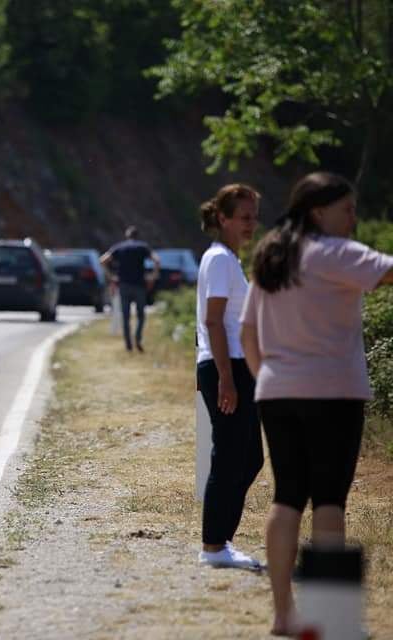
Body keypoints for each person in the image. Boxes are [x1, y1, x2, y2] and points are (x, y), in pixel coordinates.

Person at [240, 172, 393, 636]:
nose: (354, 218)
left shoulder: (272, 254)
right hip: (333, 392)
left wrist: (265, 376)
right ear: (317, 212)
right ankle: (328, 616)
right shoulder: (334, 252)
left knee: (287, 497)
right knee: (329, 501)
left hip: (277, 391)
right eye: (346, 208)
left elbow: (248, 329)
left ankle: (284, 614)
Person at [194, 184, 264, 570]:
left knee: (248, 456)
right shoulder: (220, 260)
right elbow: (213, 320)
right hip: (227, 366)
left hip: (235, 365)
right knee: (230, 457)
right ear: (223, 219)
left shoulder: (226, 259)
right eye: (244, 217)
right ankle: (214, 544)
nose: (251, 224)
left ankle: (221, 538)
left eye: (254, 216)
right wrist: (225, 377)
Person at [100, 226, 159, 352]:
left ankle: (128, 344)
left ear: (127, 236)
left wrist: (111, 276)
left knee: (125, 316)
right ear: (137, 236)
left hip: (124, 285)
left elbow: (103, 260)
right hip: (139, 285)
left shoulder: (119, 247)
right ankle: (137, 339)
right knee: (140, 315)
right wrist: (152, 277)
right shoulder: (143, 247)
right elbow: (157, 260)